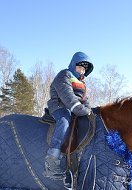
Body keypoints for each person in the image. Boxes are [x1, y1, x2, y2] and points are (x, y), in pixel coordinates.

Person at [43, 52, 94, 180]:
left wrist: (89, 111)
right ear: (73, 65)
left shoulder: (82, 83)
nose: (82, 71)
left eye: (84, 69)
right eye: (79, 67)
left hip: (74, 109)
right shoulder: (64, 75)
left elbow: (84, 100)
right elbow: (68, 97)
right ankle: (52, 159)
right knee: (64, 121)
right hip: (60, 106)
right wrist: (81, 109)